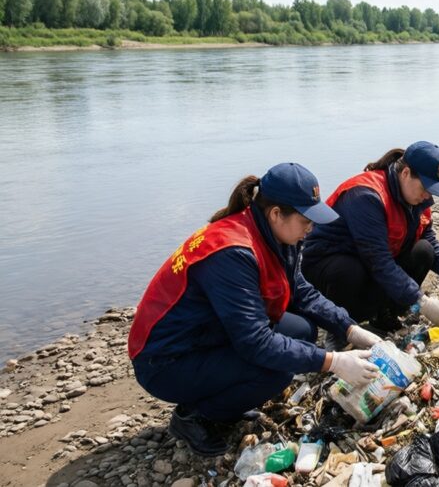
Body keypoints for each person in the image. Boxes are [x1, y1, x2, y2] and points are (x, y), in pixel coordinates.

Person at [129, 163, 383, 457]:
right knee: (277, 372)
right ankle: (194, 416)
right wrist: (333, 362)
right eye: (306, 220)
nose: (311, 228)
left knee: (302, 331)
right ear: (276, 213)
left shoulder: (277, 235)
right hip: (165, 360)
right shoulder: (233, 251)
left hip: (208, 332)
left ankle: (225, 396)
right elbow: (255, 343)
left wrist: (349, 327)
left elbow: (301, 291)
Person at [302, 142, 439, 335]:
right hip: (330, 265)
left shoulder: (418, 198)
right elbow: (378, 261)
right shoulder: (366, 196)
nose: (427, 195)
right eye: (425, 187)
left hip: (369, 260)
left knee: (423, 250)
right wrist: (422, 301)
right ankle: (341, 328)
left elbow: (426, 237)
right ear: (405, 173)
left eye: (432, 189)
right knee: (349, 271)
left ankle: (384, 316)